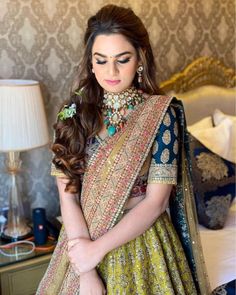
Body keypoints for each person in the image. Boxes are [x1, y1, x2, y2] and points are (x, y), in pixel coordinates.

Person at [37, 4, 210, 295]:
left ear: (140, 57)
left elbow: (155, 203)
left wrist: (96, 251)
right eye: (101, 60)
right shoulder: (73, 114)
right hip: (81, 242)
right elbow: (69, 199)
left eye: (123, 59)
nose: (112, 71)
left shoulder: (160, 114)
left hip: (143, 241)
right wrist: (87, 269)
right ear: (90, 63)